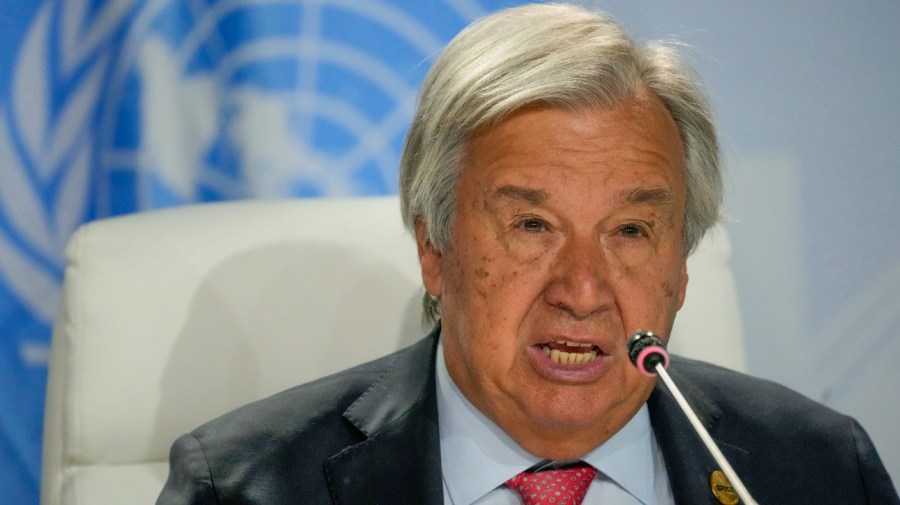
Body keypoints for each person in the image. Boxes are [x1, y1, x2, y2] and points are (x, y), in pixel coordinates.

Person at [157, 3, 898, 504]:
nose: (582, 289)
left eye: (631, 231)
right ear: (433, 248)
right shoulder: (250, 486)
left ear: (679, 270)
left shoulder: (821, 472)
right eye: (532, 226)